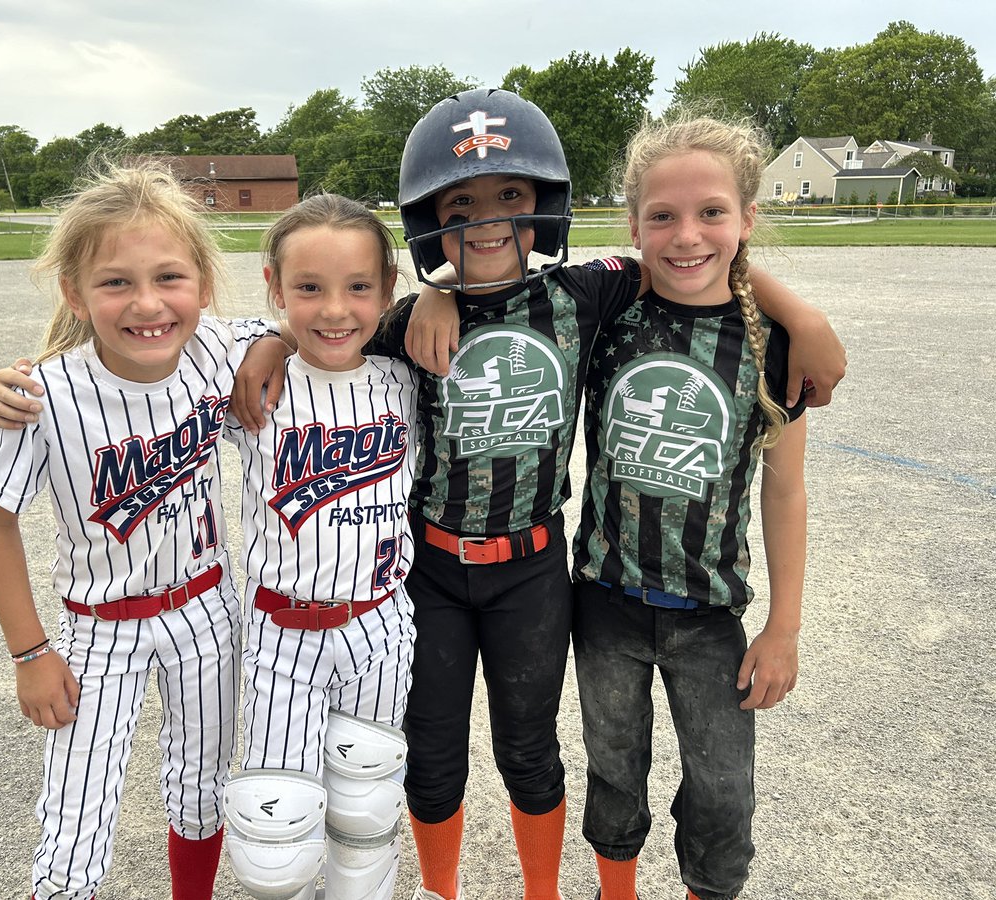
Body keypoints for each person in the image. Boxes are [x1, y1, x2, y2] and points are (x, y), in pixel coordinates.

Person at [356, 90, 843, 900]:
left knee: (543, 752)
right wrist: (425, 298)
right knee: (437, 753)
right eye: (461, 202)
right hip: (443, 570)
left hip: (552, 574)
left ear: (545, 204)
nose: (486, 220)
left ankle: (545, 892)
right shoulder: (416, 321)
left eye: (511, 197)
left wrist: (807, 315)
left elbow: (696, 263)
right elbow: (326, 325)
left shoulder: (590, 296)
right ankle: (442, 890)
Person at [0, 160, 277, 900]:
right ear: (75, 292)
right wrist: (30, 652)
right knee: (75, 820)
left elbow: (305, 323)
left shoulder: (217, 348)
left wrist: (269, 345)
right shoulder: (45, 394)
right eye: (115, 283)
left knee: (202, 792)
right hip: (97, 628)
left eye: (170, 278)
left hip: (206, 609)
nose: (148, 303)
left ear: (204, 284)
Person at [569, 111, 810, 900]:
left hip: (709, 614)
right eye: (662, 216)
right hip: (604, 600)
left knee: (723, 794)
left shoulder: (772, 344)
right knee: (613, 770)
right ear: (634, 223)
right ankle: (617, 888)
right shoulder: (611, 316)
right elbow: (510, 302)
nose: (686, 235)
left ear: (746, 218)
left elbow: (785, 487)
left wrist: (783, 626)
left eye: (712, 212)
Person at [217, 194, 419, 900]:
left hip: (380, 623)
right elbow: (160, 337)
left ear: (388, 292)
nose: (336, 310)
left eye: (359, 287)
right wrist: (267, 337)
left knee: (365, 811)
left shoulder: (406, 377)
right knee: (276, 841)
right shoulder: (251, 379)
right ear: (274, 287)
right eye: (309, 289)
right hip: (283, 630)